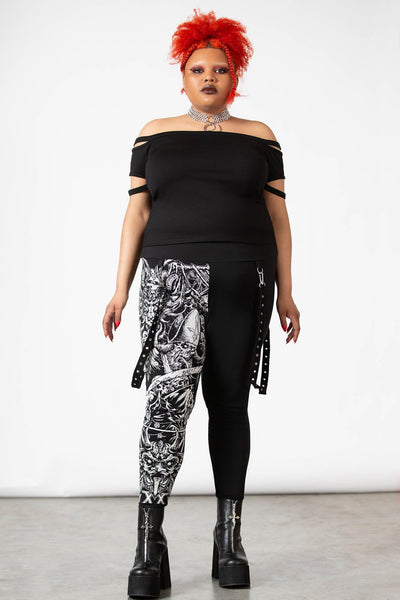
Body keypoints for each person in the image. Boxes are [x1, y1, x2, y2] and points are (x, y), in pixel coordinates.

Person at [102, 8, 300, 599]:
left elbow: (279, 219)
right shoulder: (154, 133)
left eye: (220, 69)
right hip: (172, 280)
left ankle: (228, 538)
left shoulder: (260, 136)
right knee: (166, 407)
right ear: (182, 76)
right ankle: (149, 544)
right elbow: (136, 213)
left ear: (235, 77)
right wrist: (120, 288)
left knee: (230, 406)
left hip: (245, 279)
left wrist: (287, 291)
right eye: (198, 69)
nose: (209, 77)